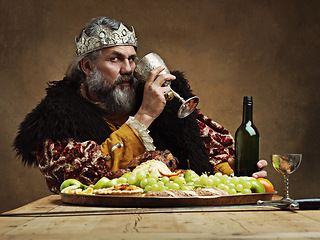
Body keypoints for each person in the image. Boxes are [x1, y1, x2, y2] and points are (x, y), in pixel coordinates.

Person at [13, 17, 267, 193]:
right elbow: (81, 177)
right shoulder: (56, 117)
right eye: (115, 59)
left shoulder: (160, 97)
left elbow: (205, 148)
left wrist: (233, 169)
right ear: (88, 67)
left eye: (132, 59)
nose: (128, 69)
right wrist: (144, 116)